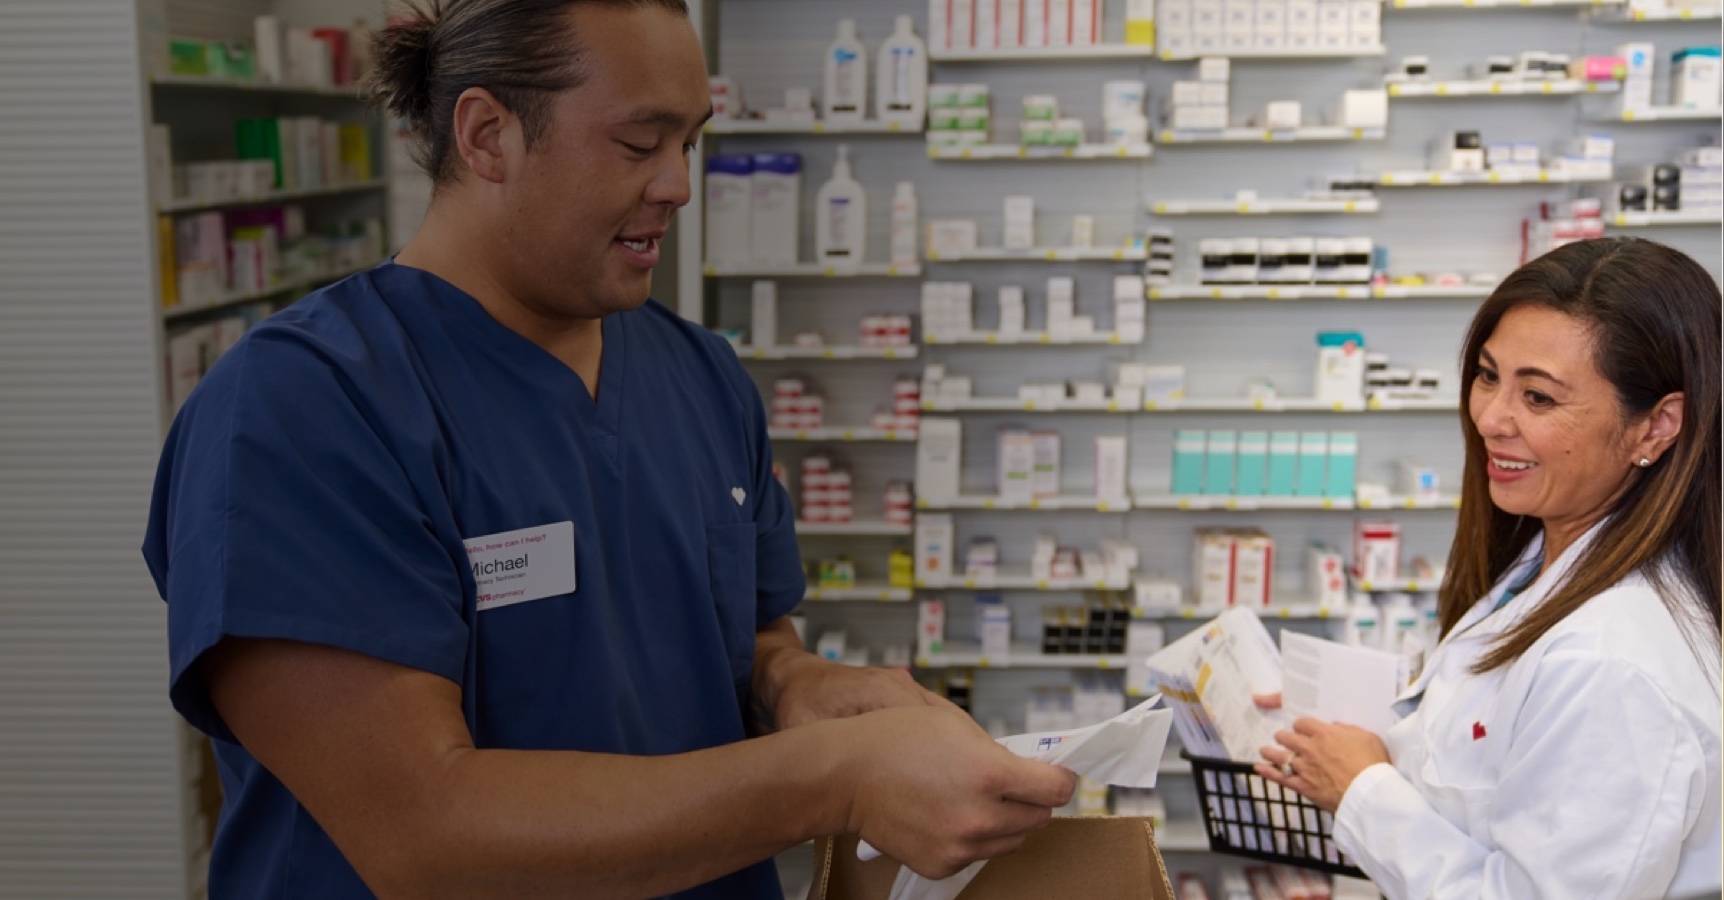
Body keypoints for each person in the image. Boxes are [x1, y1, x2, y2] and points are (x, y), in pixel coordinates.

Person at [140, 2, 1075, 898]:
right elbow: (421, 836)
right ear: (486, 135)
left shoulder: (699, 373)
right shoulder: (305, 406)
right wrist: (833, 777)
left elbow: (745, 638)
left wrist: (796, 685)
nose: (676, 183)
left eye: (690, 143)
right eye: (638, 143)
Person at [1254, 237, 1721, 899]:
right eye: (1487, 375)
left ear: (1655, 427)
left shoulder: (1612, 666)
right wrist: (1331, 723)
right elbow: (1481, 745)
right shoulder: (1545, 560)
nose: (1491, 419)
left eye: (1539, 398)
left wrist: (1362, 791)